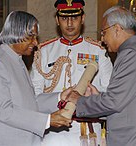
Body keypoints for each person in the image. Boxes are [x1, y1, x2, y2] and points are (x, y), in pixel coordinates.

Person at [66, 6, 136, 146]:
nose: (102, 39)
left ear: (117, 29)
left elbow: (113, 102)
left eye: (103, 32)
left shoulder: (130, 55)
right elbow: (124, 102)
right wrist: (97, 97)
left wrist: (79, 100)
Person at [0, 11, 72, 146]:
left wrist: (60, 97)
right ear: (16, 33)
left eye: (36, 37)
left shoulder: (16, 60)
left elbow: (29, 102)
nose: (36, 42)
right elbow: (4, 111)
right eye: (31, 37)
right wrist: (47, 121)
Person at [30, 0, 113, 145]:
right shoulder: (44, 52)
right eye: (64, 18)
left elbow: (110, 95)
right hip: (52, 136)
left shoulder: (98, 51)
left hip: (86, 133)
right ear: (57, 20)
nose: (69, 23)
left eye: (74, 18)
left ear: (83, 19)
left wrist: (93, 98)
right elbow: (33, 97)